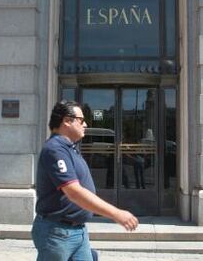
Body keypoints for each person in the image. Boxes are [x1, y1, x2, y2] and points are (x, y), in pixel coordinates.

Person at [32, 100, 139, 261]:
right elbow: (73, 192)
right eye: (81, 120)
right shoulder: (55, 149)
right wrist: (116, 214)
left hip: (77, 231)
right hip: (58, 232)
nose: (86, 124)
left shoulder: (70, 148)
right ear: (67, 121)